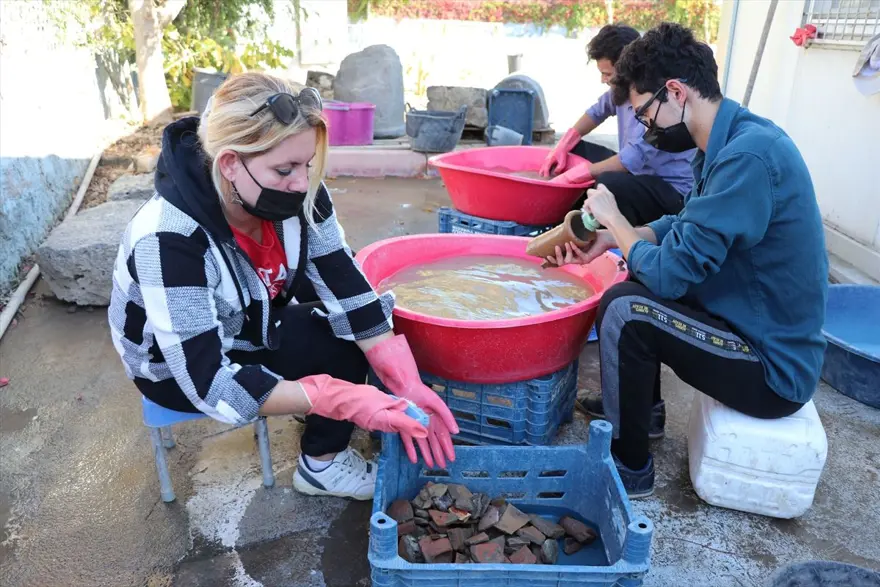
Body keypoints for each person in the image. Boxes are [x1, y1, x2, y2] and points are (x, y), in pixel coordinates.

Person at [109, 72, 458, 501]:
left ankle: (309, 420)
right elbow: (209, 381)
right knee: (337, 349)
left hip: (249, 317)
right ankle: (322, 465)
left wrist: (403, 379)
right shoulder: (168, 241)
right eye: (285, 169)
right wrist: (332, 396)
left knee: (346, 321)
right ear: (230, 163)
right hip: (178, 367)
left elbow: (343, 281)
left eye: (308, 164)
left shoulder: (293, 194)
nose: (301, 181)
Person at [546, 23, 828, 497]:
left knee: (625, 309)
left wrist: (615, 221)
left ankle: (627, 470)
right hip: (747, 323)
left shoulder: (747, 159)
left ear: (675, 92)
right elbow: (683, 226)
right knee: (634, 277)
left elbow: (671, 274)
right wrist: (616, 241)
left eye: (645, 116)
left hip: (771, 367)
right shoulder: (730, 142)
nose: (645, 129)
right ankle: (645, 415)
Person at [540, 23, 696, 226]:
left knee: (607, 183)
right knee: (574, 151)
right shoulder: (622, 89)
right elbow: (598, 111)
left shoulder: (656, 97)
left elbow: (633, 157)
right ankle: (559, 221)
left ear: (626, 68)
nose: (603, 80)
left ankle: (593, 232)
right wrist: (562, 146)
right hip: (638, 172)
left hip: (671, 192)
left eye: (607, 74)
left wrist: (574, 176)